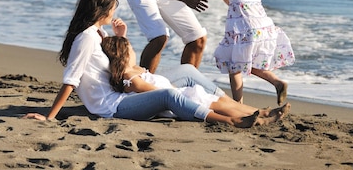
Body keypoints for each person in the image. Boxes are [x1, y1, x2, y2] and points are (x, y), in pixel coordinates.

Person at [23, 0, 288, 127]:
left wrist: (122, 37)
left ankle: (248, 110)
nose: (115, 12)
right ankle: (232, 119)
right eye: (113, 8)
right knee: (168, 95)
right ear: (100, 10)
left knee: (187, 71)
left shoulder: (98, 33)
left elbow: (119, 63)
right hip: (113, 106)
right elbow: (71, 80)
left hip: (124, 91)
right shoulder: (86, 38)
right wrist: (50, 116)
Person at [167, 0, 295, 105]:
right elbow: (239, 3)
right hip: (263, 28)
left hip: (245, 31)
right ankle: (277, 82)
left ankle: (238, 104)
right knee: (247, 64)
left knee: (234, 69)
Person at [101, 35, 289, 127]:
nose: (134, 52)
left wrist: (120, 33)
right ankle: (252, 119)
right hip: (178, 97)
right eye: (131, 50)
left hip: (180, 92)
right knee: (220, 105)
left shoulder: (131, 70)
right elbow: (157, 92)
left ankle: (262, 112)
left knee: (221, 101)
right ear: (125, 56)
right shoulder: (131, 79)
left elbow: (124, 57)